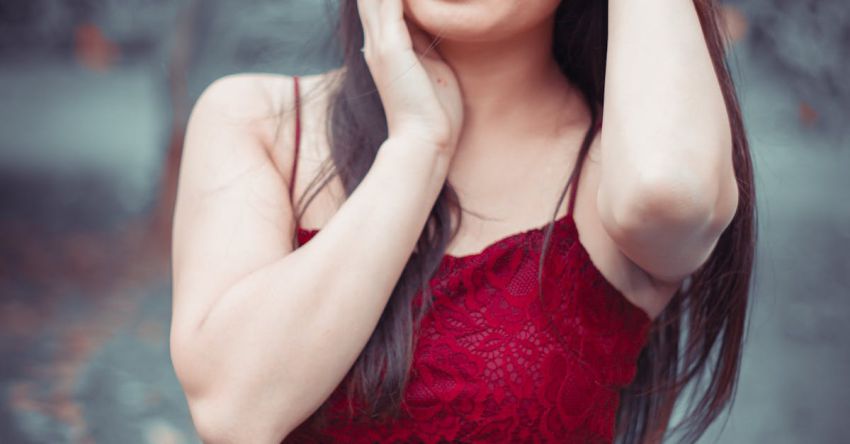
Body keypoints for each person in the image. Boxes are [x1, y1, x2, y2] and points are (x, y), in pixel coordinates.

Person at [169, 0, 755, 442]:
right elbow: (235, 411)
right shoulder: (258, 123)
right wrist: (416, 149)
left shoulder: (620, 174)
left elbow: (670, 195)